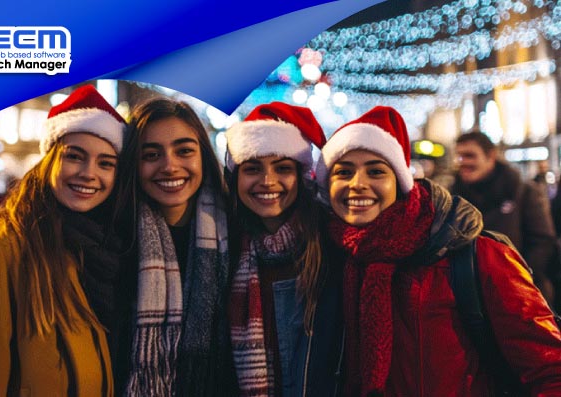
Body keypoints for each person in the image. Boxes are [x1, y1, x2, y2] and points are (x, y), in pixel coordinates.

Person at [315, 106, 561, 396]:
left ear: (401, 182)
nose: (358, 184)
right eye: (343, 171)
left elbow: (549, 369)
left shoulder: (479, 256)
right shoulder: (327, 256)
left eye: (376, 171)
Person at [0, 84, 129, 396]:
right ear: (48, 162)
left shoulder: (87, 253)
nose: (89, 173)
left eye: (106, 163)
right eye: (74, 156)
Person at [225, 102, 343, 396]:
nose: (267, 181)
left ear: (302, 176)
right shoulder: (223, 248)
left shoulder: (333, 246)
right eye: (252, 168)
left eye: (283, 168)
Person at [120, 98, 236, 396]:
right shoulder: (113, 240)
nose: (170, 166)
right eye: (151, 154)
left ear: (203, 156)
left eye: (184, 151)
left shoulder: (237, 233)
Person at [450, 131, 559, 306]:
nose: (463, 162)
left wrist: (516, 278)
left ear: (491, 156)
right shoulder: (451, 198)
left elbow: (542, 242)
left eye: (470, 155)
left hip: (521, 297)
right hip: (471, 300)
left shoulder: (523, 192)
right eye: (459, 156)